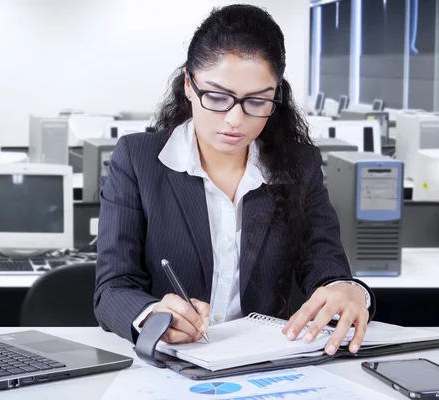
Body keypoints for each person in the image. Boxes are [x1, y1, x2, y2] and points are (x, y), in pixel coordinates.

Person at [93, 4, 375, 357]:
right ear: (188, 86)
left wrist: (346, 288)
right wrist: (152, 316)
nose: (235, 119)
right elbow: (114, 288)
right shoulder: (138, 160)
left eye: (257, 101)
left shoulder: (298, 165)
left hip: (267, 366)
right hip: (169, 367)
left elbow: (325, 264)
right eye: (216, 97)